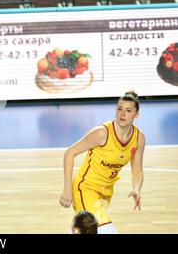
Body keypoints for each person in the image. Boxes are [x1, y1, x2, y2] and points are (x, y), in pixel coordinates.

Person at [59, 91, 145, 234]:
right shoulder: (102, 133)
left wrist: (136, 188)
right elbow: (70, 153)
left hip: (106, 193)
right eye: (119, 109)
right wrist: (67, 189)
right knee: (107, 230)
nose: (122, 113)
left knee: (88, 230)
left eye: (128, 110)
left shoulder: (139, 138)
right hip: (85, 188)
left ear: (137, 115)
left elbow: (137, 170)